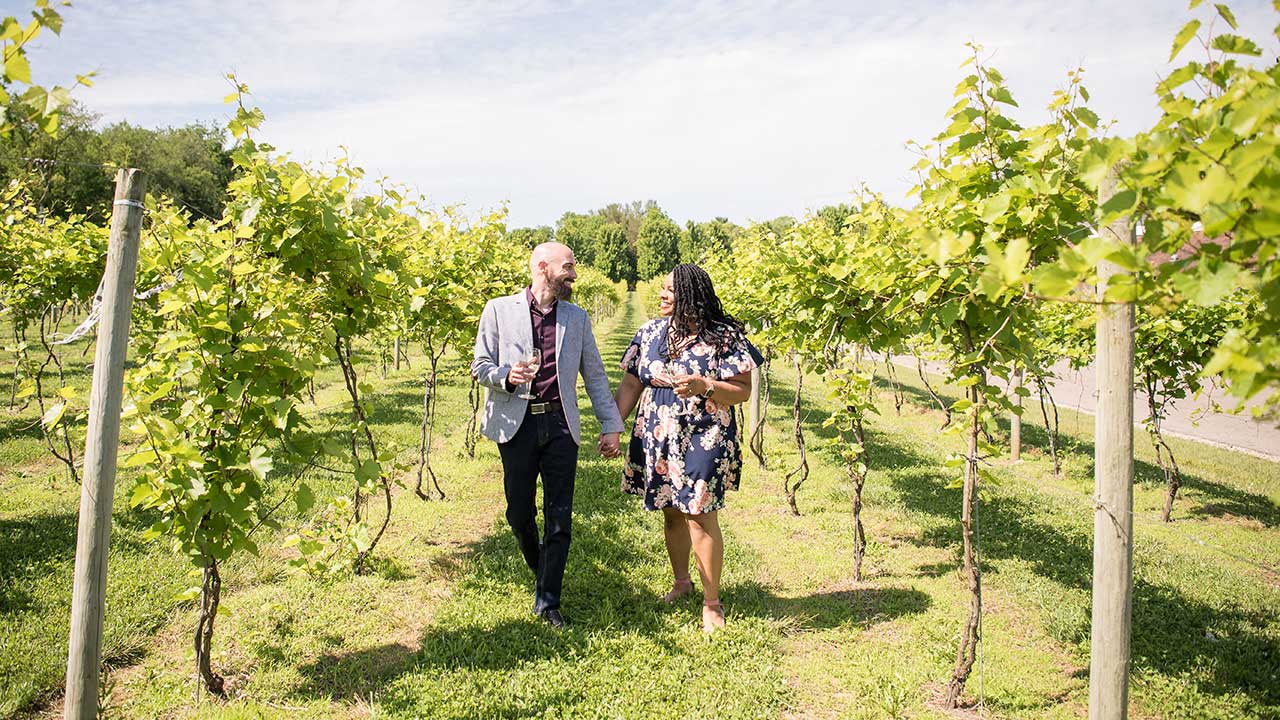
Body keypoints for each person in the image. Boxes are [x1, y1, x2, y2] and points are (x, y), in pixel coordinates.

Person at [471, 241, 624, 629]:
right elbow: (480, 366)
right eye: (568, 267)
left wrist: (611, 425)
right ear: (544, 267)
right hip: (517, 425)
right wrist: (506, 376)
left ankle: (549, 600)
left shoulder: (577, 318)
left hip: (559, 425)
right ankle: (542, 568)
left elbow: (594, 375)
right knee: (518, 512)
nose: (574, 275)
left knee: (560, 517)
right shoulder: (498, 310)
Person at [614, 263, 757, 633]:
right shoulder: (649, 333)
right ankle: (681, 582)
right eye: (662, 289)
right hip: (658, 431)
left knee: (699, 512)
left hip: (704, 432)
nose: (662, 296)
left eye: (670, 291)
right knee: (672, 510)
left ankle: (712, 603)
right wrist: (613, 426)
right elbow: (631, 384)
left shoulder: (723, 337)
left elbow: (743, 390)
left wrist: (703, 386)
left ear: (692, 296)